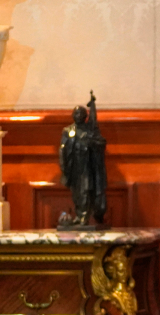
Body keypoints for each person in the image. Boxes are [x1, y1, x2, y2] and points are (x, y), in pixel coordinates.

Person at [58, 91, 108, 227]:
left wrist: (92, 143)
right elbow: (63, 149)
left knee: (86, 191)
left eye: (81, 113)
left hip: (87, 166)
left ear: (85, 116)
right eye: (76, 113)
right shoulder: (68, 130)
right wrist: (64, 167)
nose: (78, 115)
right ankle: (79, 215)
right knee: (76, 193)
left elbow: (101, 142)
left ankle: (84, 217)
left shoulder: (90, 130)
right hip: (74, 166)